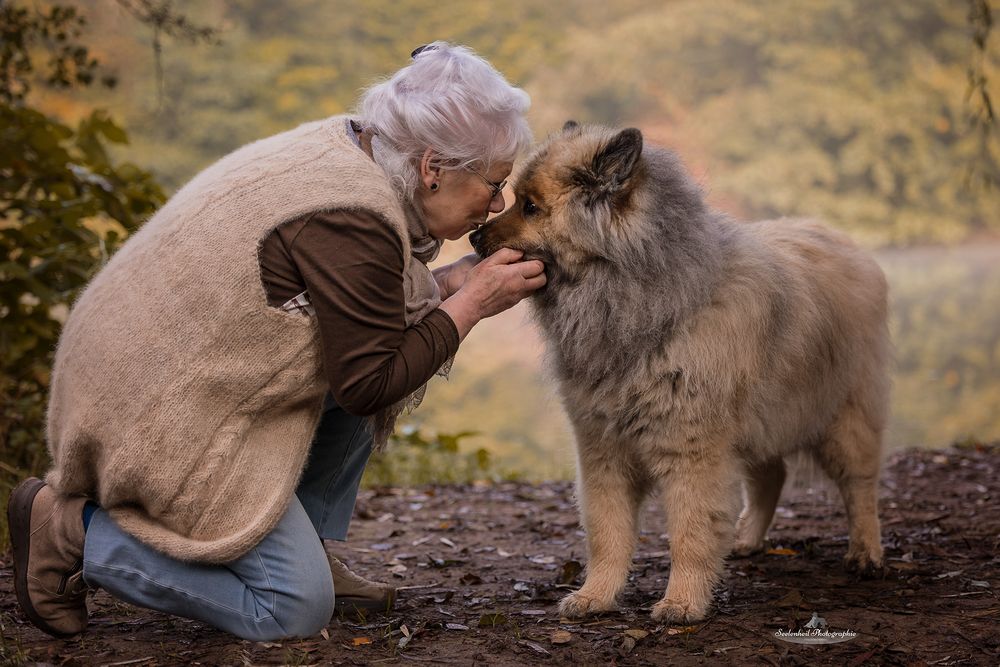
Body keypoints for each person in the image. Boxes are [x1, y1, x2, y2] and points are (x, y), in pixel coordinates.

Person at [7, 42, 545, 642]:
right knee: (292, 610)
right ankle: (74, 532)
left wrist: (446, 284)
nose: (497, 204)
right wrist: (468, 305)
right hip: (157, 418)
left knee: (380, 343)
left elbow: (361, 303)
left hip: (153, 379)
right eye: (494, 184)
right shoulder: (352, 213)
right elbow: (367, 385)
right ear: (433, 167)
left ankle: (303, 544)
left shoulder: (354, 149)